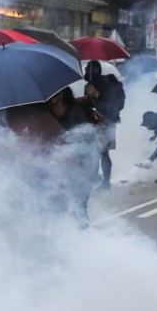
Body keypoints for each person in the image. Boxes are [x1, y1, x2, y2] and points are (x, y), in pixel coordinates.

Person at [47, 87, 102, 227]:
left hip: (82, 167)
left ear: (58, 96)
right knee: (58, 208)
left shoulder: (77, 115)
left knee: (79, 206)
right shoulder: (56, 114)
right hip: (67, 168)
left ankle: (83, 238)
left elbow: (79, 149)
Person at [84, 61, 126, 189]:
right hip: (111, 121)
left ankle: (98, 179)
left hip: (98, 122)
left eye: (87, 70)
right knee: (104, 153)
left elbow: (89, 104)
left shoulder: (92, 85)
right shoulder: (111, 83)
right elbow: (120, 104)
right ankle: (105, 181)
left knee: (96, 151)